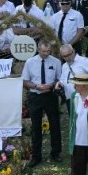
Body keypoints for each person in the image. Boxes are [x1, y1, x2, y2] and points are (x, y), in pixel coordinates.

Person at [22, 38, 63, 167]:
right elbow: (25, 81)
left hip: (50, 96)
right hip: (35, 96)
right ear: (38, 50)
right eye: (44, 51)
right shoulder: (30, 62)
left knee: (55, 124)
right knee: (36, 127)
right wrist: (36, 86)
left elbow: (59, 79)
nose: (46, 54)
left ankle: (56, 152)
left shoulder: (56, 62)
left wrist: (52, 85)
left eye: (48, 51)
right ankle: (36, 155)